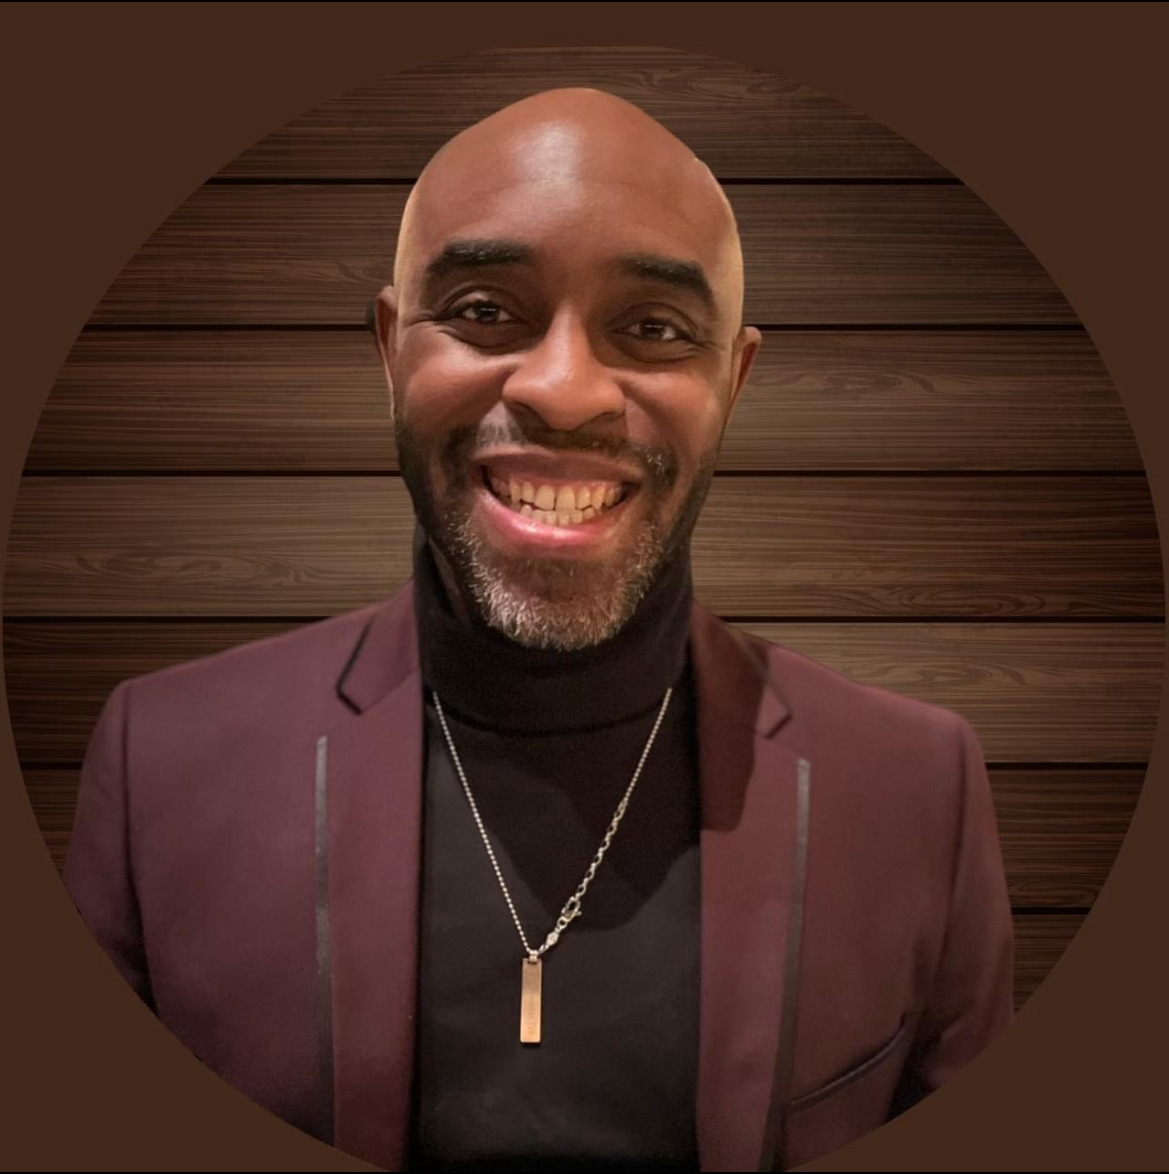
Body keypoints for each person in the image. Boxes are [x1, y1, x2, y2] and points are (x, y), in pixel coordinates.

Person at [62, 87, 1014, 1172]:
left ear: (732, 381)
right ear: (389, 349)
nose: (564, 390)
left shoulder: (916, 788)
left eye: (653, 329)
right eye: (481, 309)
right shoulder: (161, 764)